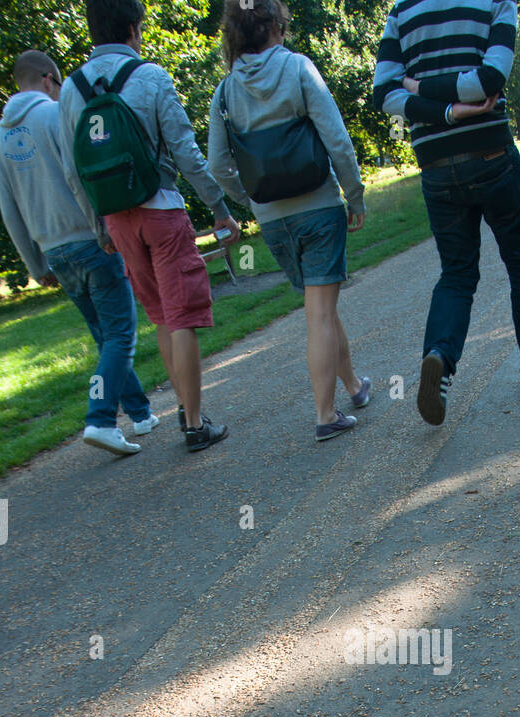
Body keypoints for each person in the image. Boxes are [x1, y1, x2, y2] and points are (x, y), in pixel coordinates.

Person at [373, 0, 520, 425]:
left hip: (435, 166)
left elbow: (386, 91)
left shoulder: (402, 11)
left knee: (457, 273)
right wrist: (454, 104)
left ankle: (439, 358)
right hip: (491, 154)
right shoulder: (497, 2)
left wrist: (420, 89)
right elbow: (489, 79)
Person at [59, 0, 240, 453]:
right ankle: (195, 423)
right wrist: (218, 206)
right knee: (182, 316)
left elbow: (72, 170)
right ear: (135, 28)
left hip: (117, 221)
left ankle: (184, 407)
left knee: (160, 314)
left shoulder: (70, 89)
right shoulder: (151, 77)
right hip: (160, 209)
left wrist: (98, 224)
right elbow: (186, 153)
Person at [208, 0, 368, 442]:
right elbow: (337, 139)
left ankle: (354, 386)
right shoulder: (298, 69)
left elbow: (218, 165)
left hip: (274, 220)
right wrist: (354, 196)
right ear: (276, 26)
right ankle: (325, 415)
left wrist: (251, 199)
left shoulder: (224, 91)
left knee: (323, 307)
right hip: (317, 207)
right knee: (318, 313)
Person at [0, 49, 156, 457]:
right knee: (120, 334)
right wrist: (103, 229)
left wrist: (35, 264)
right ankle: (100, 419)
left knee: (105, 337)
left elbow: (9, 209)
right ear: (49, 78)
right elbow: (81, 176)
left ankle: (139, 412)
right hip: (88, 239)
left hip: (55, 252)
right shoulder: (53, 117)